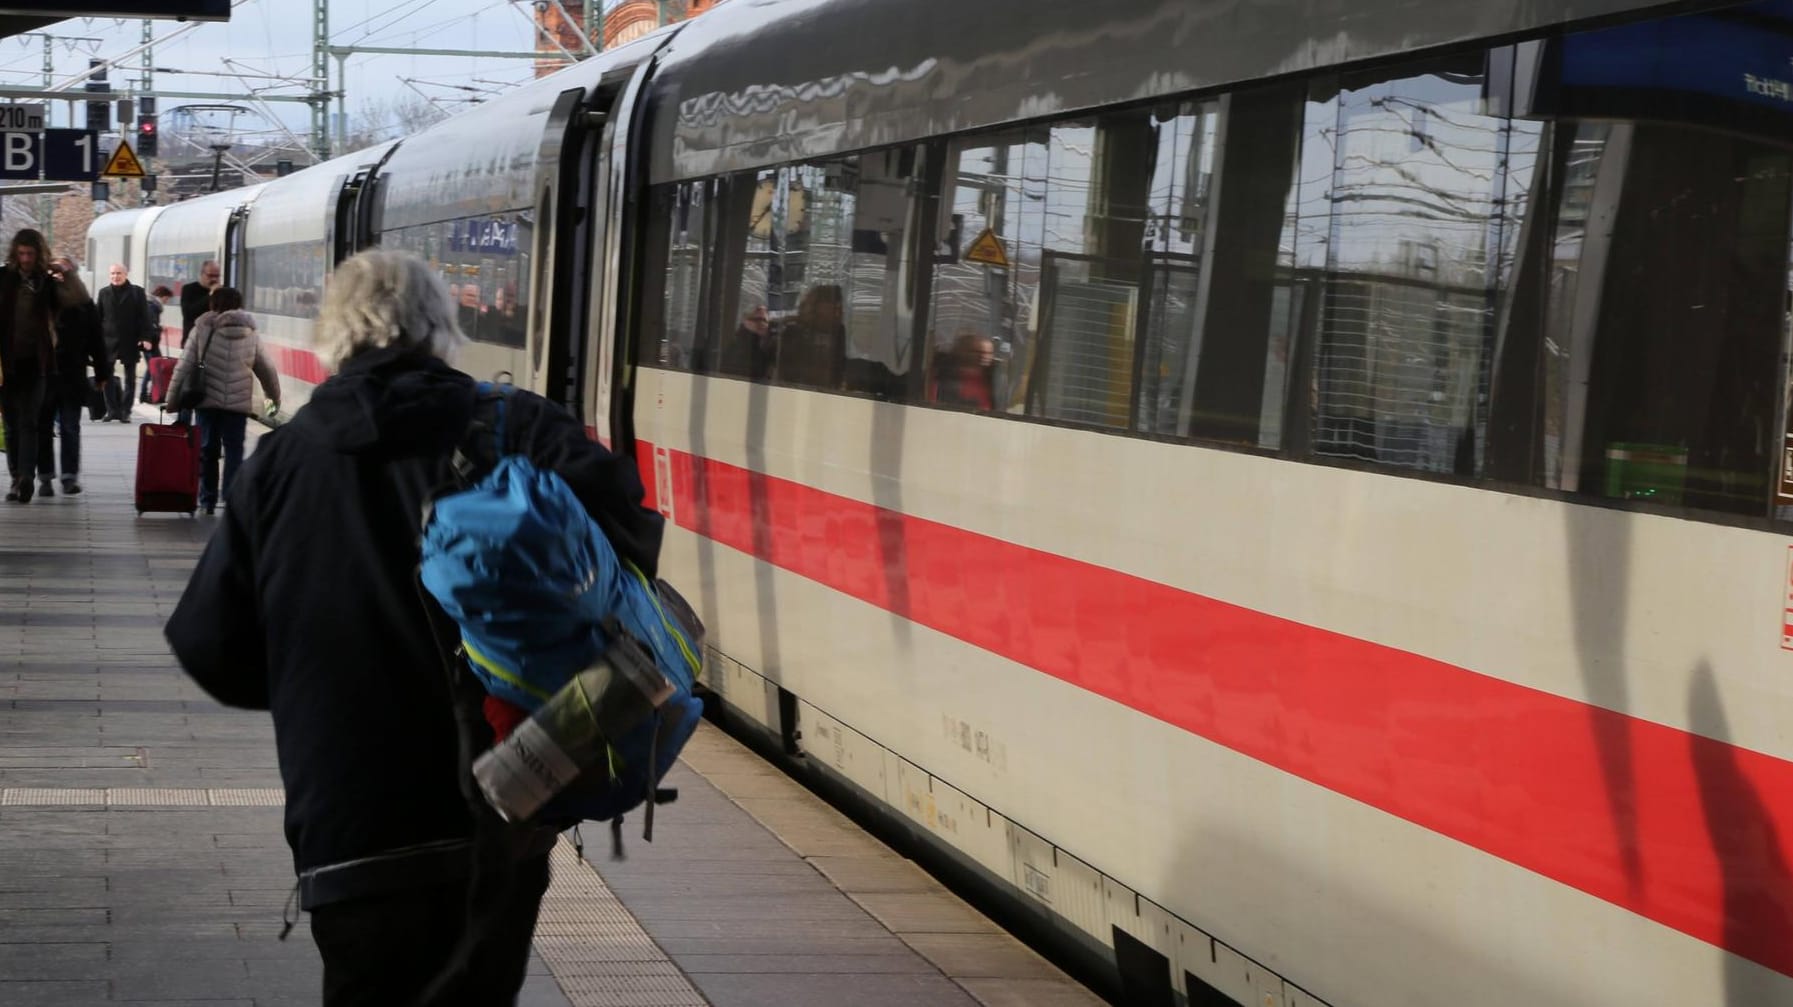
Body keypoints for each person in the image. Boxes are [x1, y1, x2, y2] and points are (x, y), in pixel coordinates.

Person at [163, 249, 663, 1005]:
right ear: (439, 330)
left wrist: (317, 683)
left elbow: (211, 647)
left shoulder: (281, 464)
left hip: (351, 820)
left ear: (335, 334)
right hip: (508, 797)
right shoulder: (519, 425)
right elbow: (635, 546)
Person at [164, 287, 281, 516]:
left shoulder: (202, 329)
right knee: (234, 450)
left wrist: (172, 400)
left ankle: (207, 499)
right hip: (237, 406)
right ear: (239, 305)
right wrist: (273, 399)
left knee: (208, 450)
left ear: (213, 304)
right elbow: (267, 369)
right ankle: (231, 498)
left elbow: (183, 366)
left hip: (207, 401)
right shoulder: (251, 333)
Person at [0, 229, 86, 504]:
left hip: (38, 363)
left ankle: (25, 476)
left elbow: (78, 299)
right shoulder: (4, 278)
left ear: (38, 255)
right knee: (11, 424)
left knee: (29, 422)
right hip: (6, 363)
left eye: (30, 254)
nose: (25, 259)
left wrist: (66, 273)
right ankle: (16, 476)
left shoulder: (46, 283)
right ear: (15, 253)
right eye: (21, 254)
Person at [36, 257, 108, 496]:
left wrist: (102, 371)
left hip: (69, 375)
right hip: (46, 373)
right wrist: (48, 273)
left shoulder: (84, 305)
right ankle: (47, 476)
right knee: (48, 427)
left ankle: (66, 476)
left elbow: (96, 340)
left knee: (68, 426)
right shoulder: (45, 298)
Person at [97, 262, 155, 422]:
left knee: (130, 378)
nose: (115, 276)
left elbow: (145, 317)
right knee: (106, 377)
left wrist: (146, 338)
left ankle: (125, 411)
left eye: (118, 273)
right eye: (113, 274)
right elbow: (98, 317)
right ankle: (111, 410)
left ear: (125, 274)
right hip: (108, 341)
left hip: (130, 341)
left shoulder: (137, 292)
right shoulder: (104, 293)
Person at [140, 284, 173, 404]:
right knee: (152, 368)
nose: (166, 301)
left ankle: (148, 393)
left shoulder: (153, 305)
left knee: (153, 367)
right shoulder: (152, 306)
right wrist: (160, 328)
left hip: (152, 342)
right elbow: (150, 325)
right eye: (167, 298)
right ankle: (145, 394)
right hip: (149, 342)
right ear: (162, 296)